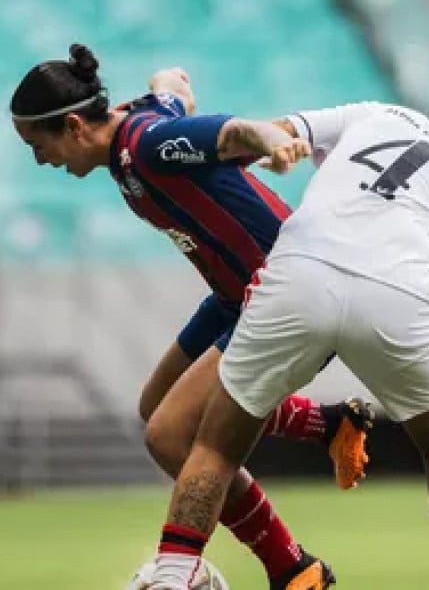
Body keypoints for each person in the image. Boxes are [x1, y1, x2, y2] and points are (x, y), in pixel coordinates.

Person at [142, 59, 429, 590]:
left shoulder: (380, 114)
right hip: (398, 294)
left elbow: (278, 133)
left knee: (216, 446)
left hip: (299, 273)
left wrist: (273, 149)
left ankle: (172, 576)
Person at [10, 43, 377, 590]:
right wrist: (168, 79)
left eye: (38, 146)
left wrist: (273, 141)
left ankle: (291, 568)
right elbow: (173, 91)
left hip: (282, 294)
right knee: (154, 405)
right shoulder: (138, 128)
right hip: (234, 296)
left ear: (73, 125)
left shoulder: (148, 144)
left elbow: (230, 133)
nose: (41, 161)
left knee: (169, 436)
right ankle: (326, 426)